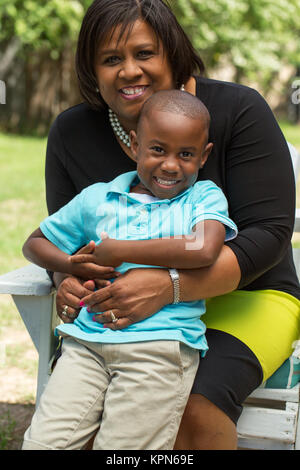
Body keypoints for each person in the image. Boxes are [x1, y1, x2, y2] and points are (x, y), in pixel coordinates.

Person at [40, 0, 300, 450]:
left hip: (248, 293)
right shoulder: (72, 132)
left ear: (173, 54)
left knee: (192, 409)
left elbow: (268, 236)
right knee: (81, 416)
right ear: (91, 68)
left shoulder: (238, 109)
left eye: (144, 54)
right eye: (110, 59)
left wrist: (170, 286)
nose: (128, 71)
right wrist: (67, 277)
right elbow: (67, 237)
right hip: (118, 305)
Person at [22, 90, 238, 450]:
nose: (171, 165)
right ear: (134, 144)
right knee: (43, 443)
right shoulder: (97, 198)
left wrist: (119, 250)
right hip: (86, 345)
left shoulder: (203, 197)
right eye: (158, 150)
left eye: (185, 154)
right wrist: (70, 264)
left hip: (159, 350)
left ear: (204, 155)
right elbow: (35, 243)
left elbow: (203, 247)